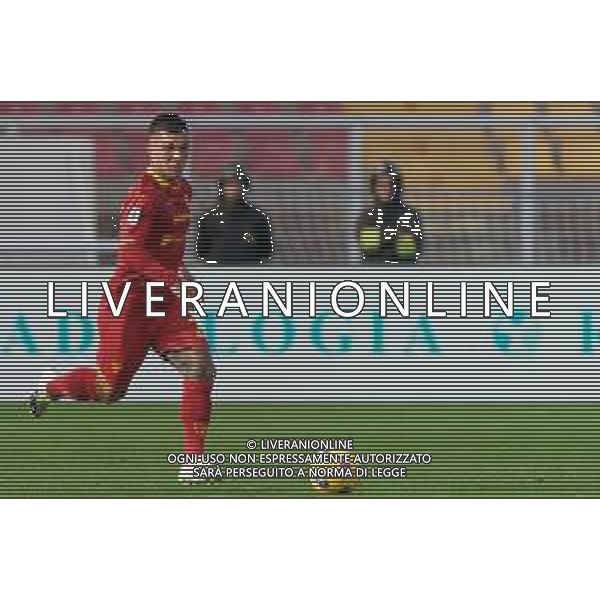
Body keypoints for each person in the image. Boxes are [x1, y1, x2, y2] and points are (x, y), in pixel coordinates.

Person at [29, 114, 217, 485]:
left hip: (164, 304)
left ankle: (194, 463)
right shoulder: (143, 194)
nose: (176, 156)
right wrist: (172, 278)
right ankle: (51, 389)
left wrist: (183, 273)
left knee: (200, 366)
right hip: (128, 305)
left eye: (182, 148)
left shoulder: (183, 189)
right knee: (108, 391)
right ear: (150, 148)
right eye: (168, 148)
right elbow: (129, 254)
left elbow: (167, 249)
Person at [196, 164, 273, 264]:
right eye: (228, 184)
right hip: (217, 274)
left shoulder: (258, 218)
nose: (232, 188)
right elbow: (201, 252)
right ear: (222, 188)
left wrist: (252, 242)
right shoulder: (208, 219)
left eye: (236, 184)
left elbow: (266, 252)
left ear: (243, 188)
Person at [357, 163, 423, 263]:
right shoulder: (368, 216)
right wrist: (394, 234)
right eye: (381, 184)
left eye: (391, 184)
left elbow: (408, 252)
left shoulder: (410, 215)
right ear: (374, 187)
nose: (386, 188)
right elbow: (369, 247)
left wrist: (403, 234)